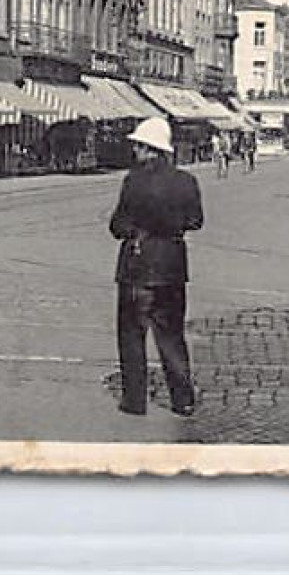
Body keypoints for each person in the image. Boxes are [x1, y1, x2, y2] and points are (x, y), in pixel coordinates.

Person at [109, 117, 204, 418]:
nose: (135, 150)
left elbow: (118, 225)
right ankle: (183, 399)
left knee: (132, 334)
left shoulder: (134, 180)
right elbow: (196, 221)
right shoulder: (187, 181)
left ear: (151, 149)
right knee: (172, 335)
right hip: (173, 266)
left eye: (139, 145)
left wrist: (135, 227)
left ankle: (134, 400)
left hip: (138, 265)